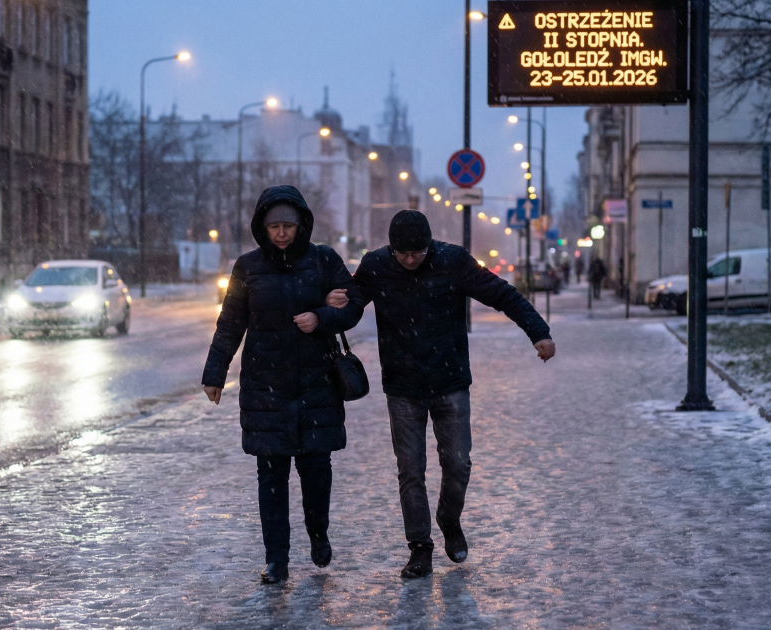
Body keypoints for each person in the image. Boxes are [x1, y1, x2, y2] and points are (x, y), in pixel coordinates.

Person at [328, 210, 554, 578]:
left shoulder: (452, 261)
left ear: (429, 245)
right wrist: (333, 304)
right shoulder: (376, 265)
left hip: (450, 382)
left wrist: (538, 332)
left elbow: (501, 294)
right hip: (402, 386)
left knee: (459, 462)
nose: (411, 260)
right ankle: (420, 547)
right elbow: (352, 309)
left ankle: (449, 519)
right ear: (392, 249)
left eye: (417, 253)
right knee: (410, 470)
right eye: (403, 254)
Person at [202, 185, 363, 585]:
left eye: (288, 225)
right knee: (271, 478)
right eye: (274, 226)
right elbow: (230, 323)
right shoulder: (248, 267)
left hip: (316, 383)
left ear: (301, 224)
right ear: (262, 226)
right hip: (265, 384)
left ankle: (319, 534)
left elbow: (354, 306)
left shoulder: (324, 260)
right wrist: (215, 372)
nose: (281, 233)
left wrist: (321, 317)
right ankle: (276, 559)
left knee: (316, 470)